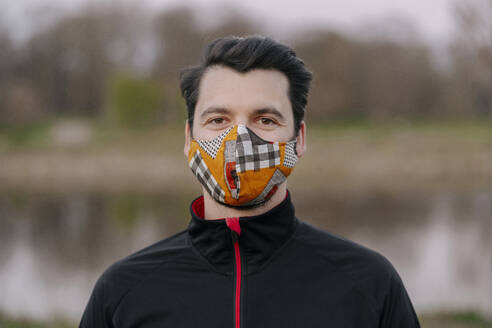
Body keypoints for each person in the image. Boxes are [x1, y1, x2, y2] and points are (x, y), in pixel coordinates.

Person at [79, 35, 421, 328]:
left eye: (265, 119)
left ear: (299, 139)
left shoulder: (369, 285)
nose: (239, 139)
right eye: (218, 119)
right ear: (189, 138)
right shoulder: (123, 292)